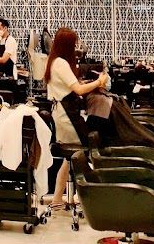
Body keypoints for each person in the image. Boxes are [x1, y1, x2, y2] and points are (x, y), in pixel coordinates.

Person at [45, 27, 108, 211]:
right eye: (74, 44)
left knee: (70, 158)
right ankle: (82, 195)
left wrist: (86, 83)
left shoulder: (54, 61)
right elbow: (78, 91)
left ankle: (58, 198)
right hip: (66, 116)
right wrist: (99, 82)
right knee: (83, 151)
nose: (76, 47)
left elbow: (73, 85)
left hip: (63, 112)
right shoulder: (60, 63)